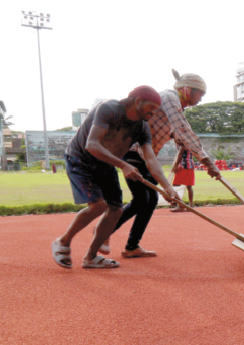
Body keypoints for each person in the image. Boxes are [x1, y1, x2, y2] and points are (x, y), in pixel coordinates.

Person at [51, 86, 179, 269]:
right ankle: (62, 242)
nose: (154, 112)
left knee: (115, 210)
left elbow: (150, 159)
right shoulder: (109, 109)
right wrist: (124, 164)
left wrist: (168, 187)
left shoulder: (142, 127)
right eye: (151, 107)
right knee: (98, 206)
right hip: (81, 160)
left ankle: (91, 257)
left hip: (106, 164)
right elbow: (92, 144)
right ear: (137, 101)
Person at [106, 70, 221, 258]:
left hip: (146, 158)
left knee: (148, 200)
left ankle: (131, 246)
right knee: (143, 199)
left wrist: (204, 161)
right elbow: (182, 127)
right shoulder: (169, 97)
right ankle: (105, 233)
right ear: (187, 89)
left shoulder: (175, 106)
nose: (201, 98)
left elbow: (179, 136)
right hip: (133, 152)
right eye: (200, 93)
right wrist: (207, 161)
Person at [170, 145, 195, 211]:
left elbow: (180, 154)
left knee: (176, 185)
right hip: (189, 165)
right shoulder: (188, 141)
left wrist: (175, 165)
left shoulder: (183, 142)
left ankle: (180, 206)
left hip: (184, 166)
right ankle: (190, 206)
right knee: (189, 186)